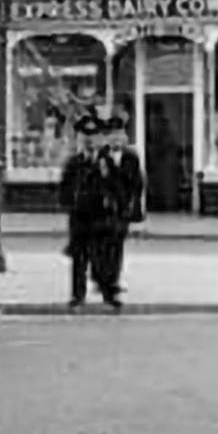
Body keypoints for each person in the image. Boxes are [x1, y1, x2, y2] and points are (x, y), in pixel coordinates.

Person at [88, 114, 144, 309]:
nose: (117, 138)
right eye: (112, 134)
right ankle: (102, 279)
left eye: (120, 134)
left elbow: (138, 184)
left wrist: (134, 209)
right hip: (101, 211)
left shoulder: (131, 157)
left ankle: (111, 284)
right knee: (100, 249)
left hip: (121, 211)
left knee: (116, 248)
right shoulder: (101, 157)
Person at [58, 112, 106, 310]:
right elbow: (64, 188)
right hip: (79, 217)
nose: (89, 140)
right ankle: (78, 295)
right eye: (85, 136)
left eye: (93, 135)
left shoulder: (106, 161)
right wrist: (70, 204)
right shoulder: (74, 162)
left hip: (101, 216)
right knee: (79, 258)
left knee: (101, 256)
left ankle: (106, 291)